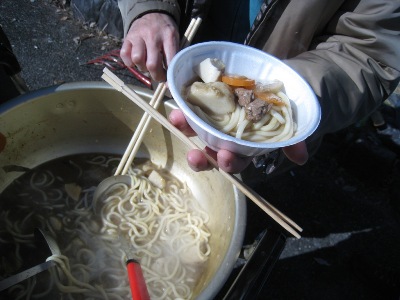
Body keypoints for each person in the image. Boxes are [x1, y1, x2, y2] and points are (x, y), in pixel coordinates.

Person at [117, 0, 400, 176]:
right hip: (174, 78)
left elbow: (369, 51)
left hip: (260, 145)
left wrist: (294, 93)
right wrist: (149, 8)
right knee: (163, 159)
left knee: (234, 192)